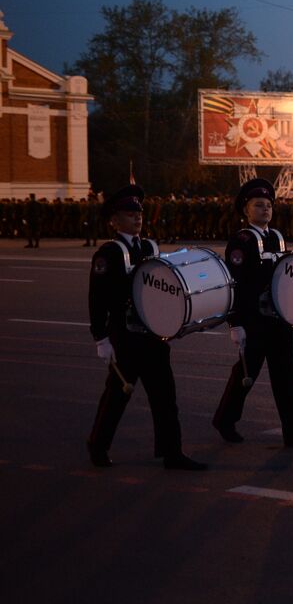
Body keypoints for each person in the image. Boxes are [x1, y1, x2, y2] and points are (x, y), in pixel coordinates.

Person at [86, 185, 205, 470]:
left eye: (138, 213)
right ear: (114, 221)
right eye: (129, 214)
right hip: (125, 336)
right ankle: (98, 446)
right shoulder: (109, 253)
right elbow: (97, 297)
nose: (137, 218)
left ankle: (171, 453)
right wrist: (101, 337)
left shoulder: (150, 246)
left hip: (152, 335)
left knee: (165, 397)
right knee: (117, 395)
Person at [211, 178, 293, 447]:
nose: (265, 209)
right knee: (246, 375)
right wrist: (235, 323)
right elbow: (235, 284)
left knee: (287, 377)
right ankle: (225, 419)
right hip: (254, 321)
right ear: (246, 210)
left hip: (279, 319)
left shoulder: (276, 236)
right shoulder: (241, 240)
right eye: (258, 205)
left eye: (268, 205)